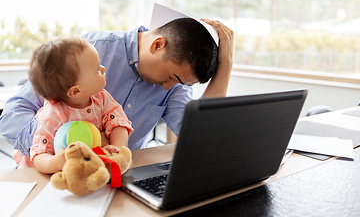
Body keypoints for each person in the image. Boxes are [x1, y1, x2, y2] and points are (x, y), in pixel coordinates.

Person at [0, 17, 233, 159]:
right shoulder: (89, 51)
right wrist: (66, 140)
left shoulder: (174, 86)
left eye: (179, 82)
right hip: (55, 171)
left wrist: (226, 67)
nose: (169, 87)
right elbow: (12, 115)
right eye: (171, 76)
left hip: (116, 175)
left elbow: (199, 138)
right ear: (158, 44)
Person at [14, 36, 133, 174]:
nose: (103, 68)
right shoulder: (53, 114)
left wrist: (117, 147)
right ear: (76, 91)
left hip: (90, 168)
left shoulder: (101, 97)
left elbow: (118, 122)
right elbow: (38, 155)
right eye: (96, 69)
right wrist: (56, 162)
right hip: (53, 178)